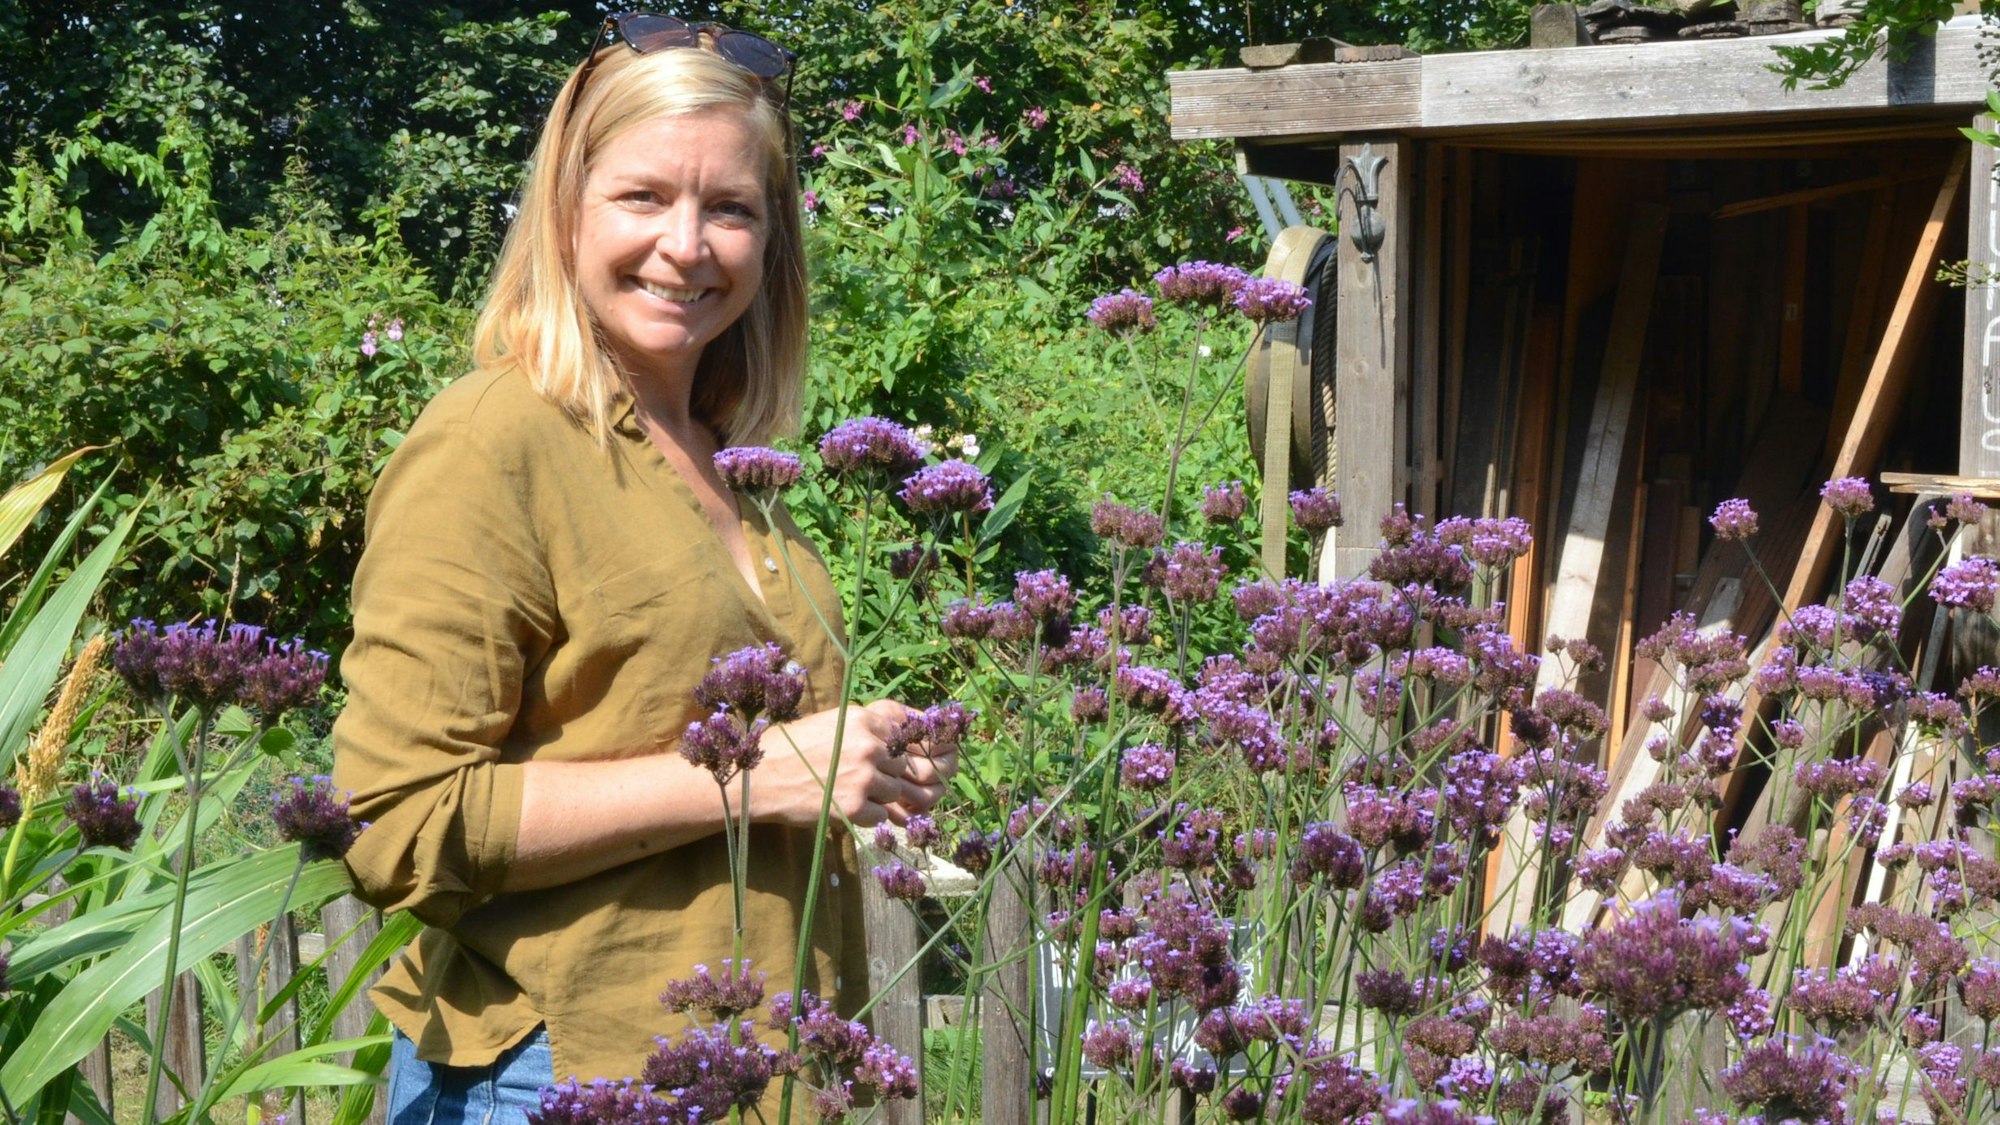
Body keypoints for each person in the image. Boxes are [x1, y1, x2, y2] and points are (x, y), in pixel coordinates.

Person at [330, 13, 955, 1121]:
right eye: (642, 198)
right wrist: (765, 772)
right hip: (564, 1074)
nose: (687, 244)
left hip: (751, 1067)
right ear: (563, 210)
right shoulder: (494, 440)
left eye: (729, 208)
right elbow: (396, 823)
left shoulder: (731, 463)